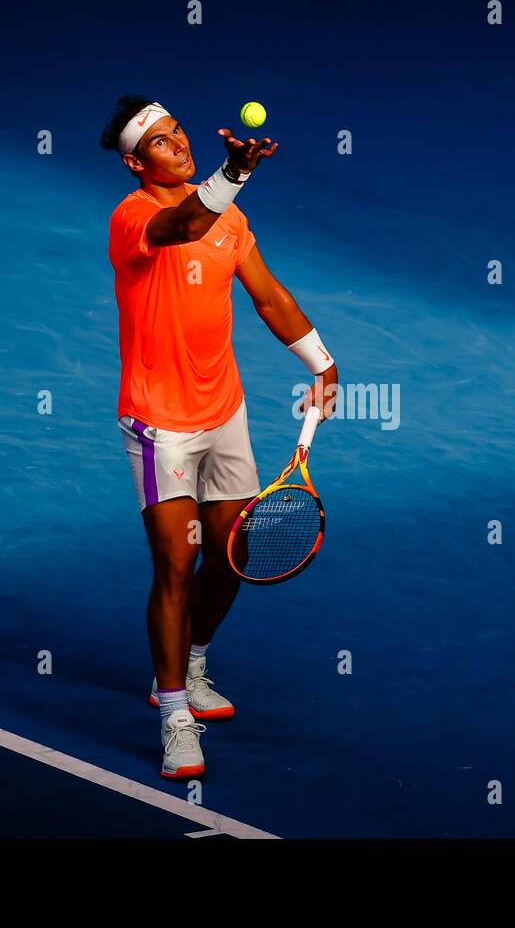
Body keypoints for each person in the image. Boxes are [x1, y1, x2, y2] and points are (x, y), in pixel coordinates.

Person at [100, 97, 339, 779]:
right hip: (159, 424)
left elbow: (267, 296)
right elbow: (183, 221)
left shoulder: (229, 219)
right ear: (135, 162)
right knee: (175, 566)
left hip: (223, 412)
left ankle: (193, 663)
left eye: (179, 134)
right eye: (160, 144)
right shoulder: (135, 218)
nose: (177, 147)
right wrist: (233, 173)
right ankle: (172, 709)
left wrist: (321, 362)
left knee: (230, 556)